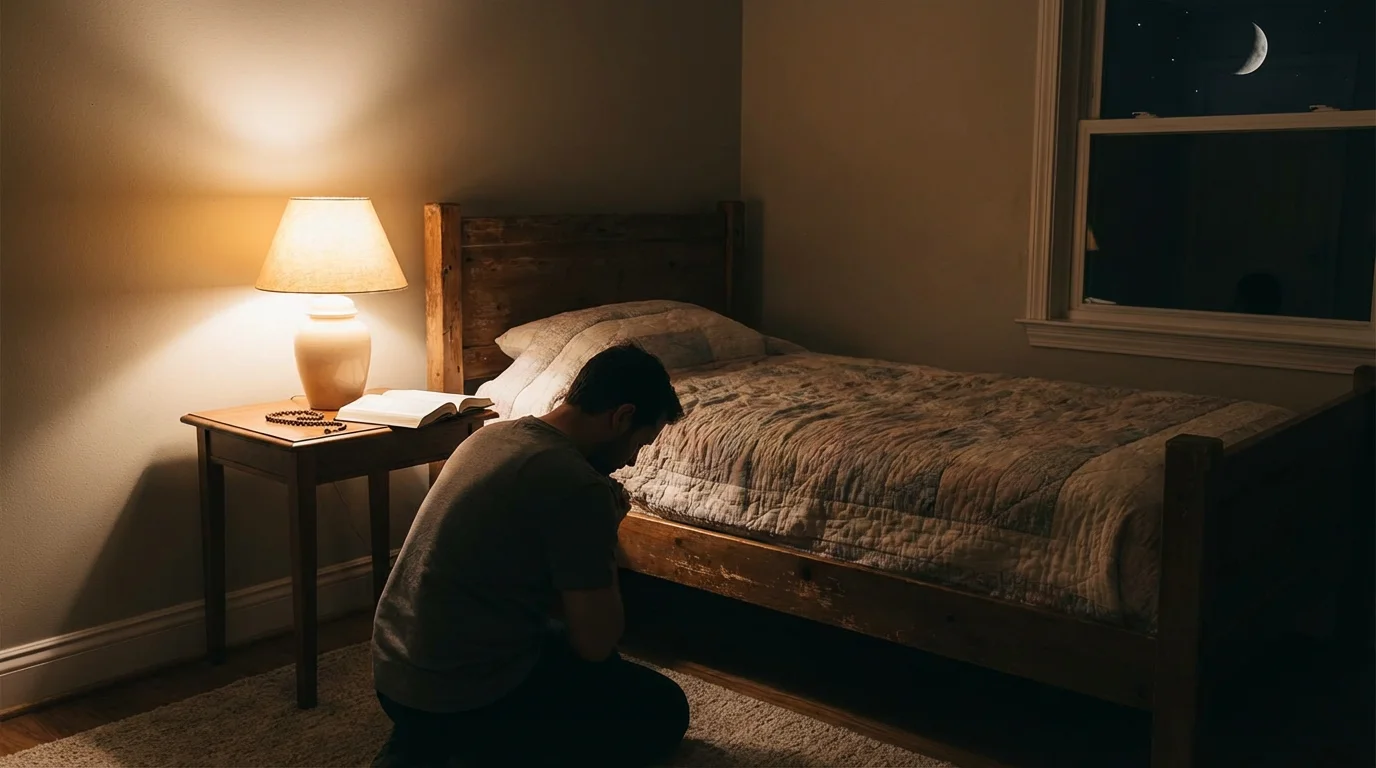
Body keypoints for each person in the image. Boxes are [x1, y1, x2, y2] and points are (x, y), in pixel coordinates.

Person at [370, 343, 690, 768]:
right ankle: (469, 746)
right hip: (461, 695)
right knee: (664, 708)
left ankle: (425, 744)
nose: (631, 462)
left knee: (572, 653)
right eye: (640, 443)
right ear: (622, 417)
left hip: (394, 677)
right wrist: (604, 530)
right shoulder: (579, 485)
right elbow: (595, 642)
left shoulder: (491, 435)